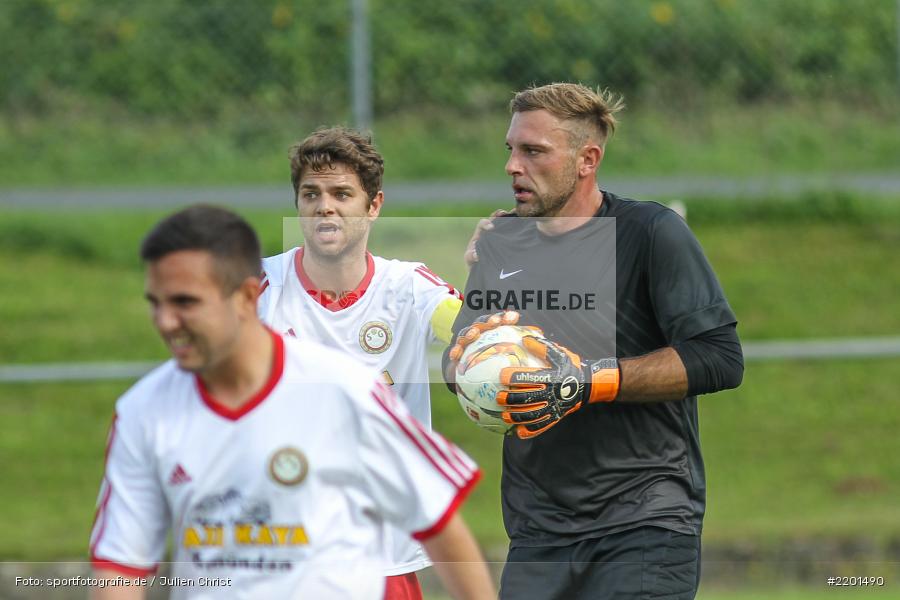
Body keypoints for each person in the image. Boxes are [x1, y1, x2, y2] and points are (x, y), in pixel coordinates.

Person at [89, 205, 495, 600]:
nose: (164, 321)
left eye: (185, 303)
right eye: (155, 303)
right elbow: (120, 568)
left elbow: (439, 522)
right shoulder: (141, 412)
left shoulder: (346, 390)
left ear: (247, 297)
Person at [444, 83, 744, 600]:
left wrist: (587, 381)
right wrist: (479, 369)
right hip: (538, 528)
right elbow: (457, 367)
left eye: (534, 151)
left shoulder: (652, 232)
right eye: (511, 149)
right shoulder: (499, 241)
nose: (513, 166)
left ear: (587, 159)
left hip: (645, 518)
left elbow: (718, 358)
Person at [257, 127, 465, 598]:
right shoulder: (259, 287)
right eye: (311, 194)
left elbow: (467, 330)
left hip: (382, 550)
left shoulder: (409, 285)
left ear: (373, 206)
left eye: (341, 193)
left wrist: (480, 344)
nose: (324, 206)